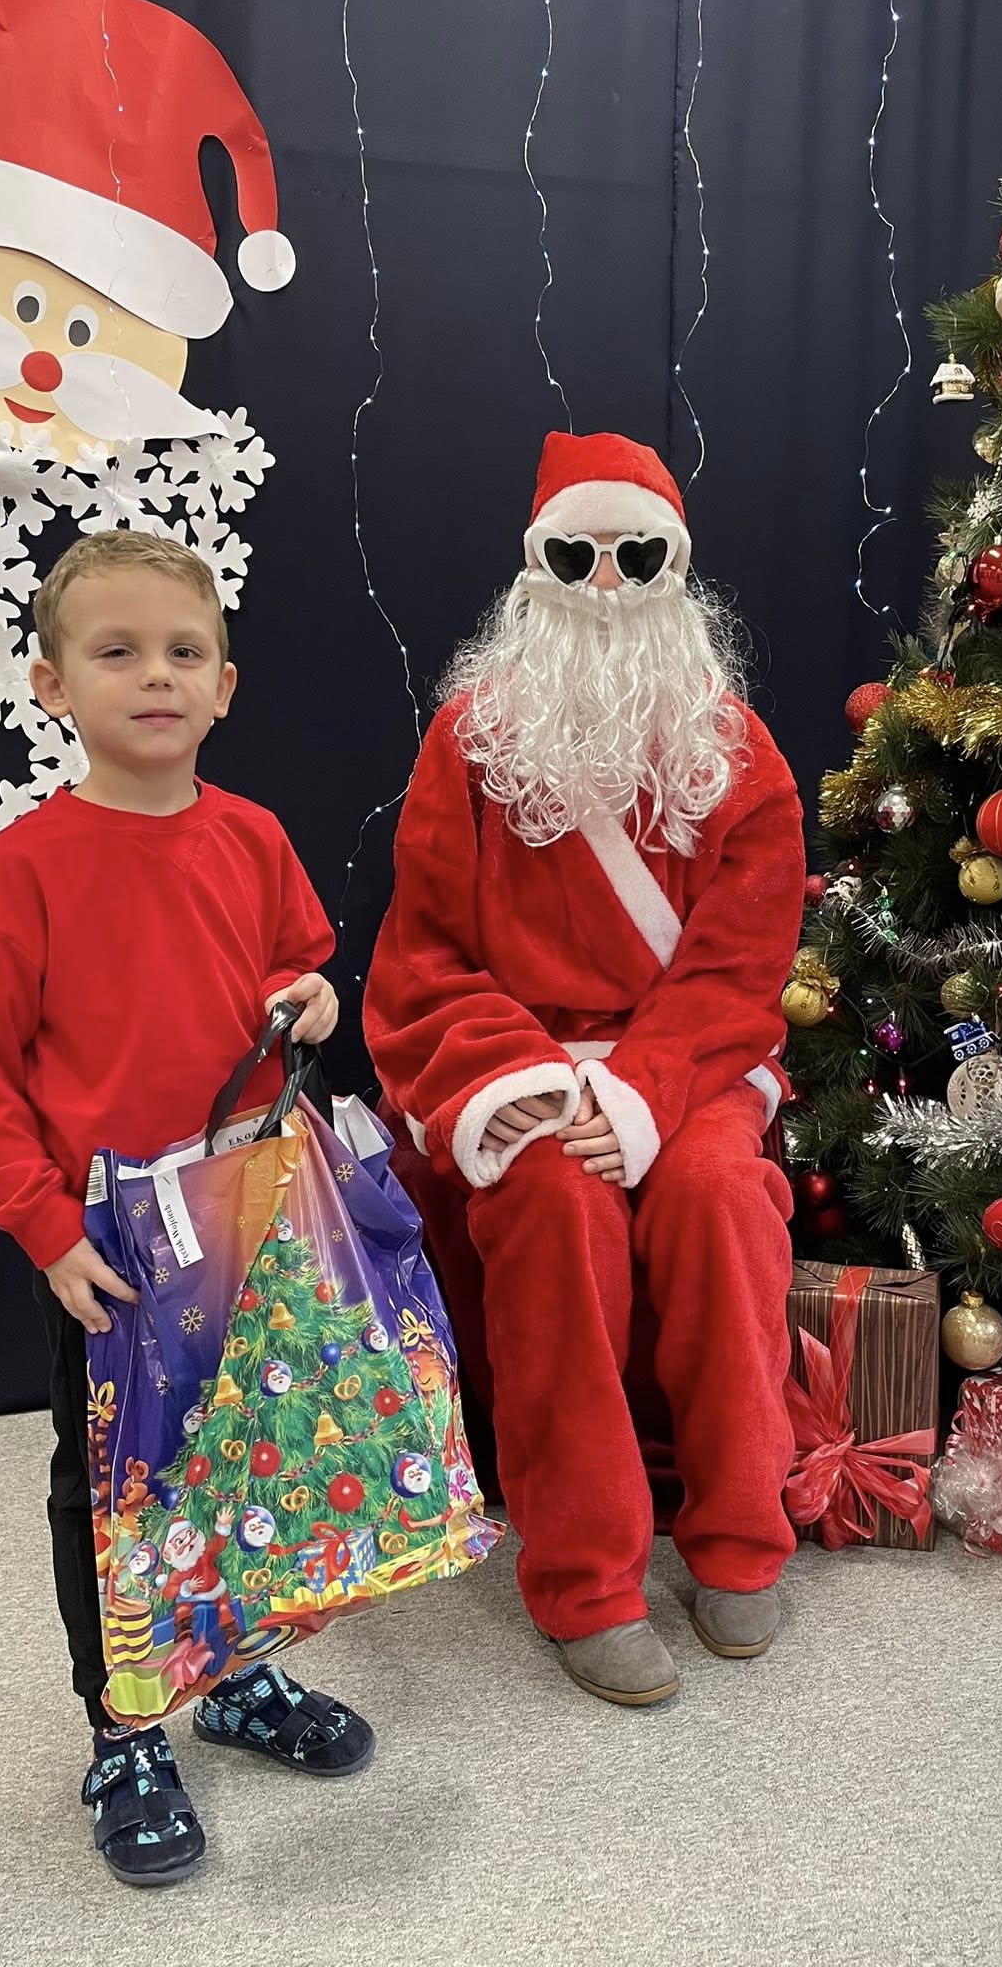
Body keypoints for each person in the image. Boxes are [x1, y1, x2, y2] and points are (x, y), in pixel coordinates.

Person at [0, 530, 367, 1887]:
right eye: (117, 652)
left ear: (224, 686)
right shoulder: (28, 868)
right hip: (111, 1246)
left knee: (252, 1458)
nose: (156, 676)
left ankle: (234, 1675)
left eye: (184, 653)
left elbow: (298, 966)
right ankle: (124, 1729)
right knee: (116, 1487)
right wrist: (44, 1227)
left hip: (250, 1213)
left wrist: (316, 999)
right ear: (52, 685)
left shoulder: (252, 837)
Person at [364, 431, 804, 1706]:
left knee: (720, 1199)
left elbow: (740, 963)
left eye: (635, 556)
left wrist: (641, 1091)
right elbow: (426, 954)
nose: (606, 582)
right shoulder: (470, 742)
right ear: (535, 570)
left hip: (690, 1067)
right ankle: (586, 1577)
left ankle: (740, 1533)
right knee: (551, 1205)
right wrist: (538, 1087)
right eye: (576, 555)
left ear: (677, 569)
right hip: (522, 1065)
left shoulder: (737, 752)